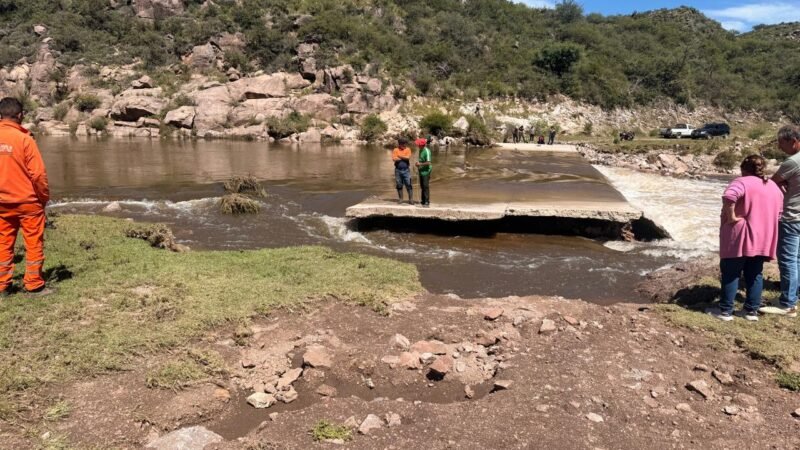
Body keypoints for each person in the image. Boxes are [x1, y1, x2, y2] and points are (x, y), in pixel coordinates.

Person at [711, 155, 782, 321]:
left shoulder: (741, 182)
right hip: (763, 237)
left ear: (744, 169)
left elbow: (729, 197)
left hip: (740, 236)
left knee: (731, 273)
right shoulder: (772, 186)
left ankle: (725, 312)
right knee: (755, 274)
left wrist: (731, 217)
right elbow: (779, 213)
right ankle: (751, 312)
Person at [0, 97, 50, 296]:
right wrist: (43, 197)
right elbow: (38, 174)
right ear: (20, 115)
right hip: (28, 202)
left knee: (3, 243)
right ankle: (34, 284)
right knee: (33, 243)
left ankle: (3, 285)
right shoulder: (25, 139)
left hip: (2, 204)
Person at [762, 125, 800, 317]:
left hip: (792, 217)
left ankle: (787, 304)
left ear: (794, 141)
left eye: (782, 143)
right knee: (797, 259)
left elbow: (772, 181)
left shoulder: (792, 162)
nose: (779, 147)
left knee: (787, 260)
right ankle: (794, 295)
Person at [392, 137, 413, 204]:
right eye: (403, 144)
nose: (405, 145)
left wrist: (400, 156)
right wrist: (404, 157)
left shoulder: (408, 149)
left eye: (405, 144)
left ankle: (411, 200)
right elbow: (394, 159)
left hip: (406, 170)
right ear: (400, 144)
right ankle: (401, 199)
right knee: (399, 184)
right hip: (397, 170)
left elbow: (408, 157)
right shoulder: (395, 149)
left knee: (408, 184)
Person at [415, 138, 432, 207]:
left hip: (426, 171)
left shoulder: (427, 151)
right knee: (422, 186)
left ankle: (427, 202)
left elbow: (428, 162)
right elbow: (421, 160)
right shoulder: (420, 150)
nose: (417, 146)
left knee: (425, 186)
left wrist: (420, 164)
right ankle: (423, 200)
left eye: (418, 145)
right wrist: (418, 163)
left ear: (422, 145)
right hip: (421, 170)